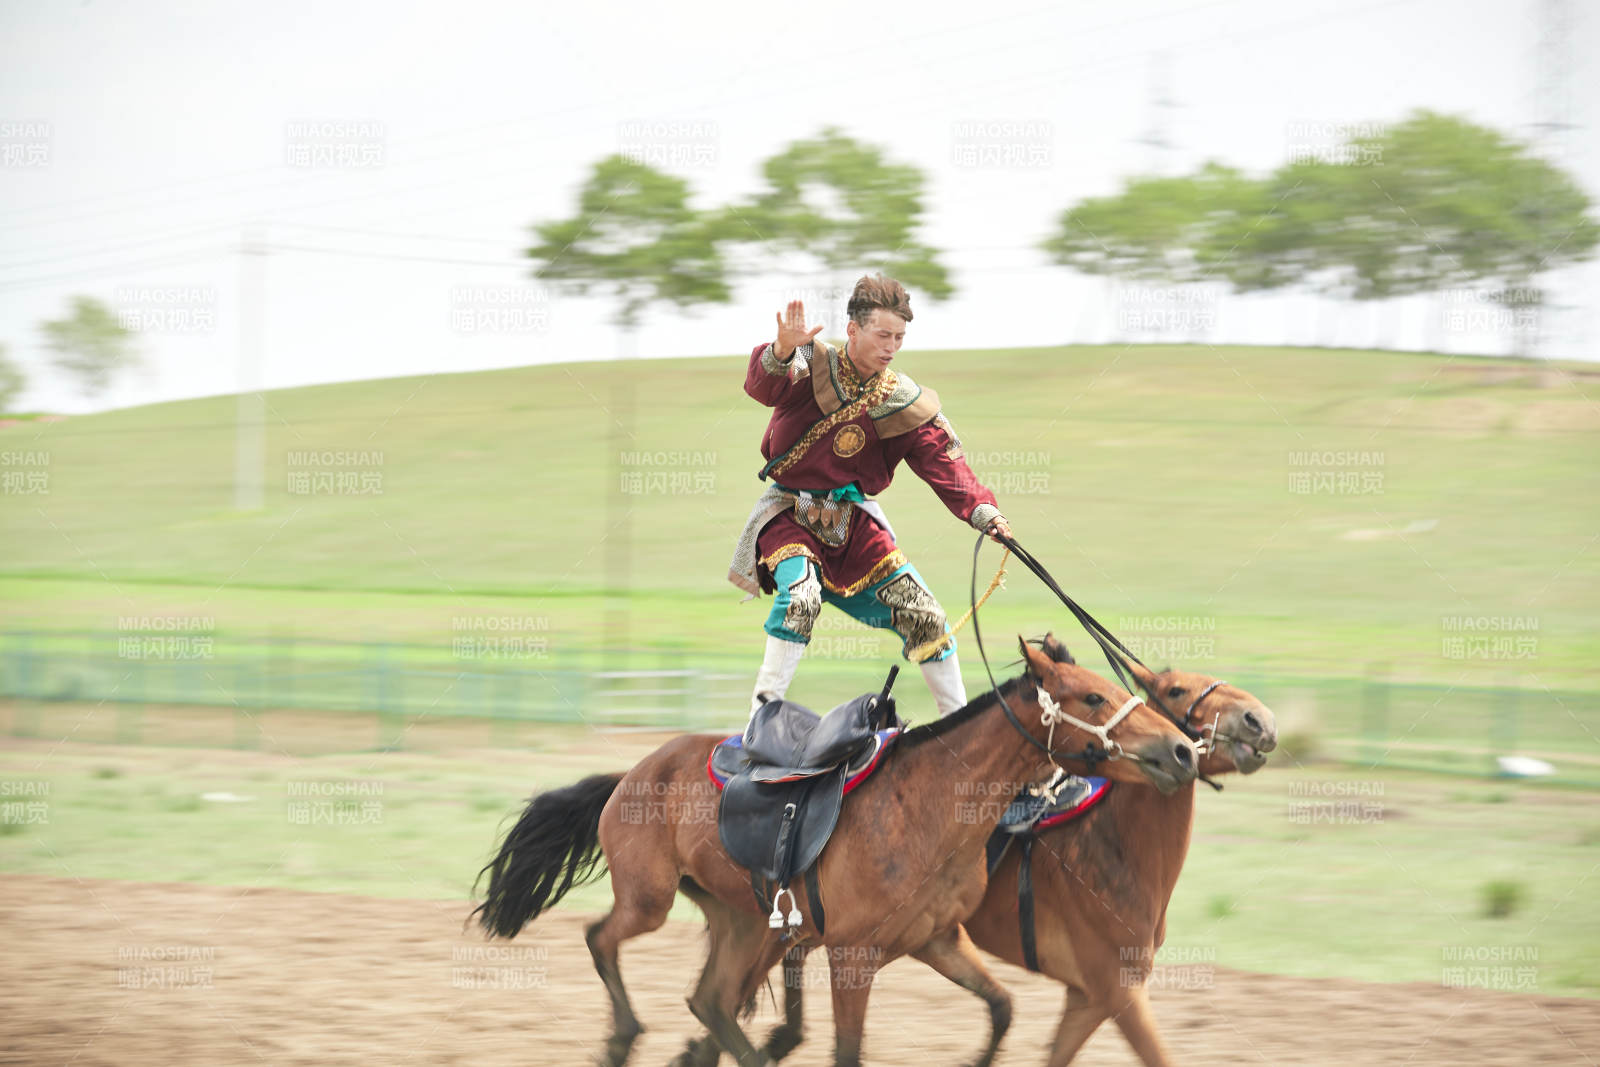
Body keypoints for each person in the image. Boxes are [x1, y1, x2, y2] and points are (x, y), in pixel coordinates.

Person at [728, 273, 1012, 718]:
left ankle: (959, 727)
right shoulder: (811, 362)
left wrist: (983, 511)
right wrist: (782, 351)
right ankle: (761, 720)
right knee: (801, 597)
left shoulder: (902, 399)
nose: (892, 346)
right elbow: (764, 387)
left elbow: (942, 462)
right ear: (854, 330)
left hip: (853, 522)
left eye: (899, 337)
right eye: (883, 334)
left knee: (925, 615)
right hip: (789, 514)